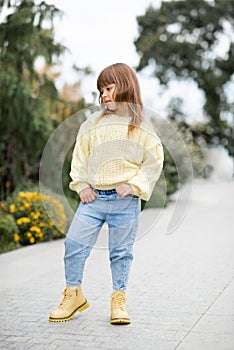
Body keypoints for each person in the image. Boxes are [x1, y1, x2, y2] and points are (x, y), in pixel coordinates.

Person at [49, 63, 164, 325]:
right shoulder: (92, 124)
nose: (105, 95)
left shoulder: (142, 126)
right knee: (73, 245)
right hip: (93, 200)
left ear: (125, 86)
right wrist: (82, 186)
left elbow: (154, 161)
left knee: (121, 252)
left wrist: (134, 184)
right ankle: (74, 294)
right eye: (101, 91)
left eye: (109, 88)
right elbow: (79, 157)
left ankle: (119, 300)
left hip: (125, 202)